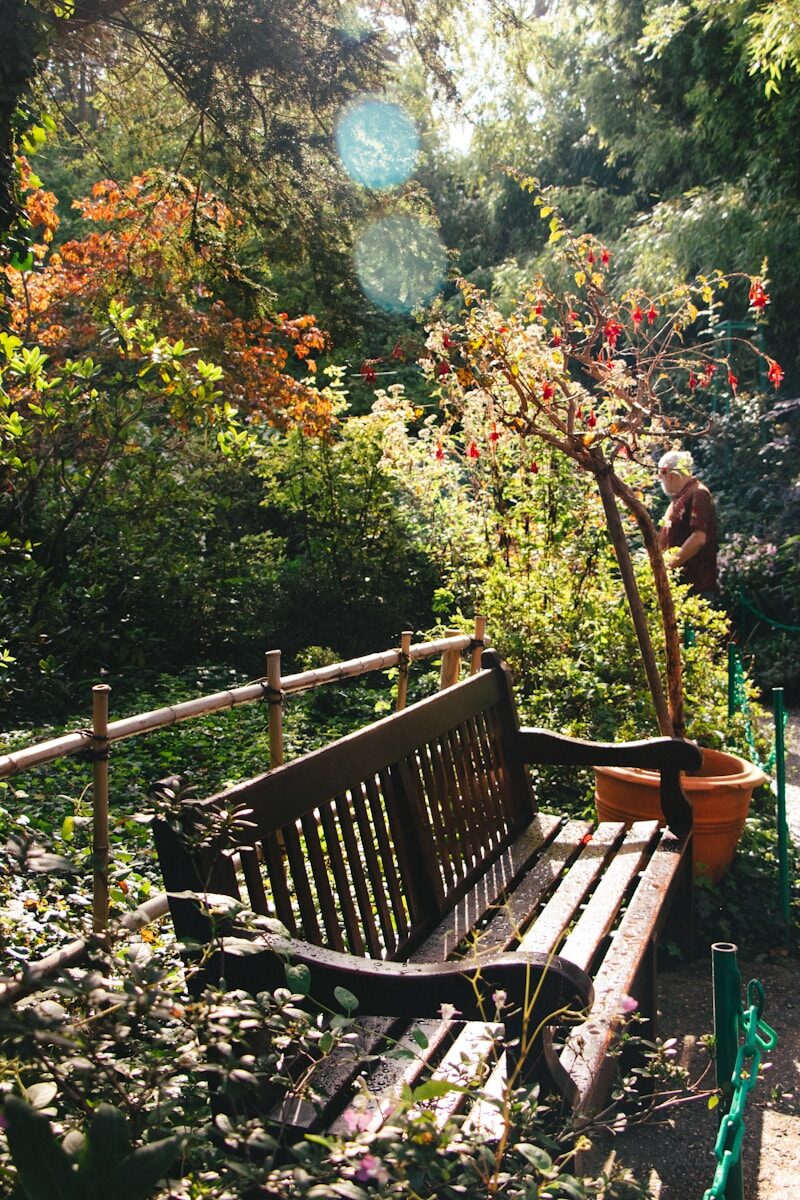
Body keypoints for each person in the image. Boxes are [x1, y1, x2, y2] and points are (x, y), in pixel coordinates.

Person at [656, 449, 718, 600]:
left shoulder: (698, 493)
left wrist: (666, 567)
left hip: (695, 587)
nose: (659, 479)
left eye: (660, 474)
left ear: (670, 475)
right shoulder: (680, 497)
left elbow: (698, 538)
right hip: (680, 586)